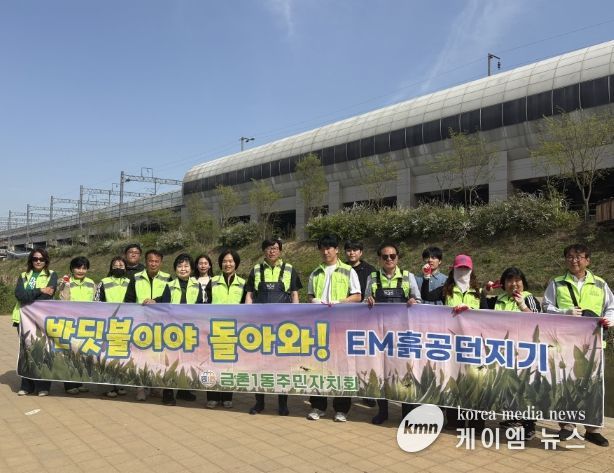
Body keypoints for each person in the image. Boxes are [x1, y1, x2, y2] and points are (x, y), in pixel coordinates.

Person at [542, 243, 613, 447]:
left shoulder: (600, 284)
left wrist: (609, 320)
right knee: (565, 383)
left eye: (579, 257)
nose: (574, 260)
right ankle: (567, 426)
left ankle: (592, 429)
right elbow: (546, 307)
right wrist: (564, 312)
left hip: (593, 344)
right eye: (570, 257)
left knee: (593, 386)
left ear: (587, 260)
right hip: (565, 343)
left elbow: (611, 307)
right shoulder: (556, 283)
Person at [420, 254, 484, 430]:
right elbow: (426, 295)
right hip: (451, 343)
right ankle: (454, 420)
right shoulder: (445, 290)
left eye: (465, 269)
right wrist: (426, 277)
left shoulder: (478, 292)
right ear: (453, 270)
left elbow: (487, 313)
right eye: (459, 268)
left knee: (474, 382)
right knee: (453, 379)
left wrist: (471, 311)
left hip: (473, 345)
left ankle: (476, 423)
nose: (462, 271)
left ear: (471, 271)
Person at [364, 242, 421, 425]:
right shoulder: (372, 277)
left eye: (392, 256)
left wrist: (414, 301)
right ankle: (383, 412)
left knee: (404, 373)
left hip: (402, 335)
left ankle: (406, 413)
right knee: (381, 372)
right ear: (379, 259)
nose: (389, 259)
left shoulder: (408, 277)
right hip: (380, 335)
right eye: (385, 256)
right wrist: (368, 300)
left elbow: (419, 301)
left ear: (398, 257)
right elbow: (364, 302)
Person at [480, 266, 541, 439]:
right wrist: (484, 293)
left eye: (517, 280)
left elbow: (539, 320)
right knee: (508, 385)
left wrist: (522, 306)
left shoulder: (528, 298)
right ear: (503, 283)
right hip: (502, 351)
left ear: (523, 282)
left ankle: (529, 425)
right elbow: (482, 314)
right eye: (509, 281)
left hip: (523, 351)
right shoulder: (499, 299)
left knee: (525, 386)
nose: (514, 284)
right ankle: (513, 418)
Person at [306, 234, 361, 422]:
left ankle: (341, 409)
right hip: (320, 326)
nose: (326, 251)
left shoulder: (348, 271)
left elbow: (357, 296)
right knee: (318, 366)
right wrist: (314, 301)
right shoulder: (315, 273)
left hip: (341, 325)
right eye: (322, 248)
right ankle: (318, 406)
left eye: (329, 247)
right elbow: (310, 296)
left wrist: (340, 302)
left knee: (341, 366)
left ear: (337, 250)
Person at [245, 238, 303, 416]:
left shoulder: (289, 269)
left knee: (282, 365)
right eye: (269, 248)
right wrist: (247, 316)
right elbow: (249, 295)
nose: (272, 251)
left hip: (283, 327)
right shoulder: (256, 269)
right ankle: (259, 403)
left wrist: (295, 319)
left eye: (275, 248)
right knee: (259, 365)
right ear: (264, 251)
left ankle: (283, 404)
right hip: (260, 327)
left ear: (280, 251)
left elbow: (294, 295)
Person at [124, 249, 171, 401]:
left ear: (161, 263)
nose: (153, 264)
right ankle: (140, 388)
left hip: (159, 324)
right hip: (140, 324)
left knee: (157, 357)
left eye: (156, 261)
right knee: (140, 357)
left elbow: (169, 300)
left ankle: (155, 386)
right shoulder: (136, 278)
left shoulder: (168, 278)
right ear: (146, 262)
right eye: (151, 261)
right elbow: (128, 300)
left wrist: (155, 301)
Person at [204, 248, 246, 409]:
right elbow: (205, 304)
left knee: (229, 364)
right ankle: (212, 396)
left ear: (236, 264)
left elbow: (246, 306)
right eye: (224, 261)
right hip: (214, 329)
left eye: (230, 261)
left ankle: (227, 396)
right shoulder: (213, 281)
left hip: (233, 330)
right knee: (212, 363)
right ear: (220, 264)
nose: (227, 264)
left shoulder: (242, 283)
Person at [13, 248, 57, 396]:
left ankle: (43, 386)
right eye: (35, 259)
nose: (38, 261)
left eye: (41, 259)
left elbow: (47, 296)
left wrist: (33, 294)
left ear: (46, 261)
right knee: (26, 351)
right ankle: (26, 385)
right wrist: (40, 290)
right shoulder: (23, 276)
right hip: (23, 318)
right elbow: (20, 295)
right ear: (31, 260)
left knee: (43, 351)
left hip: (42, 319)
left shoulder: (52, 275)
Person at [162, 254, 204, 406]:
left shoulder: (197, 286)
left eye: (186, 266)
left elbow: (200, 305)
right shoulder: (169, 285)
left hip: (189, 329)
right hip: (172, 329)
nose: (183, 269)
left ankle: (183, 390)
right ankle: (167, 393)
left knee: (187, 360)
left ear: (191, 269)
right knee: (171, 362)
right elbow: (164, 306)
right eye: (180, 266)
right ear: (175, 269)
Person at [58, 256, 96, 395]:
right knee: (70, 353)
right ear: (72, 269)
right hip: (70, 323)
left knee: (82, 354)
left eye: (84, 268)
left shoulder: (91, 283)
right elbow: (63, 300)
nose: (80, 271)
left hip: (86, 323)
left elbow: (95, 302)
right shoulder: (65, 282)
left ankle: (79, 382)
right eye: (77, 267)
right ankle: (69, 385)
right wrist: (66, 285)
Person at [95, 256, 131, 398]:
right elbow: (97, 301)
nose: (118, 268)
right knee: (107, 355)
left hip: (125, 324)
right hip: (108, 323)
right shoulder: (104, 282)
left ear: (126, 268)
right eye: (115, 265)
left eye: (121, 266)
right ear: (111, 268)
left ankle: (120, 384)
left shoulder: (130, 282)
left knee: (121, 355)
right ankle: (108, 385)